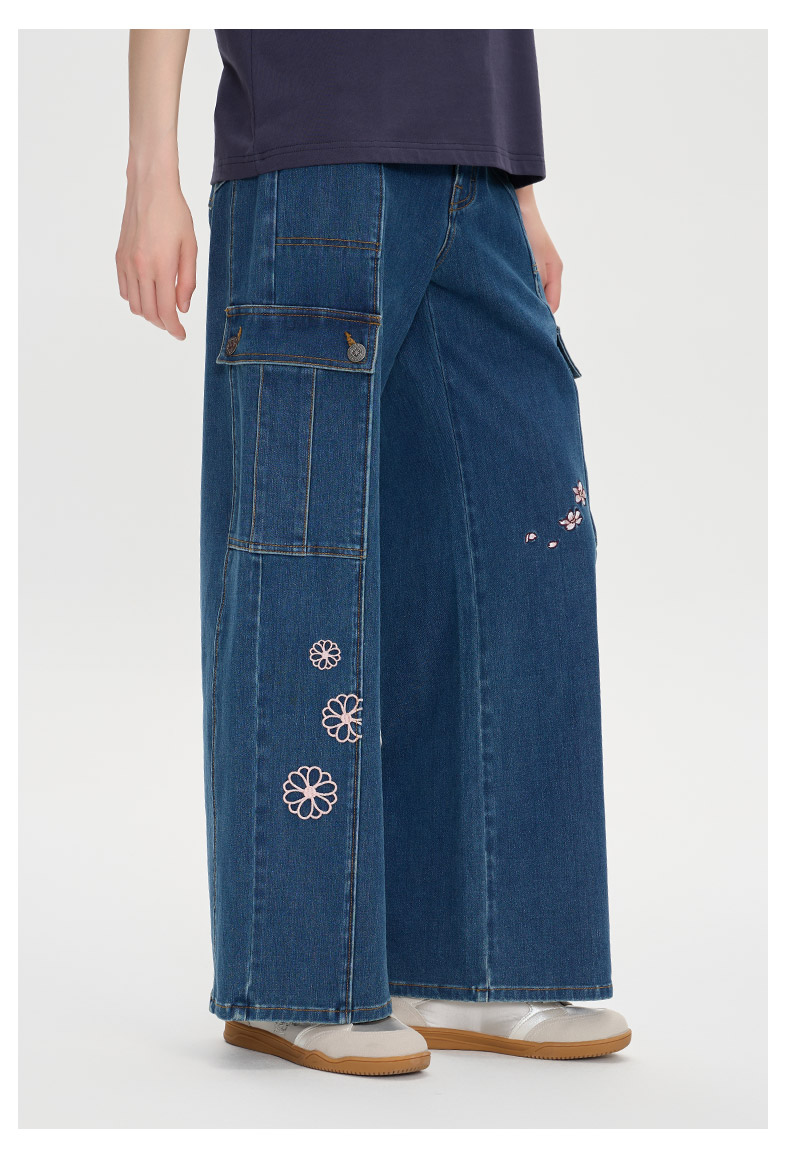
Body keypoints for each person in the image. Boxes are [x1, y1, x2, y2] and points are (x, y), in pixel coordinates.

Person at [116, 29, 631, 1077]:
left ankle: (472, 962)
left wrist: (519, 190)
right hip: (311, 159)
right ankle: (294, 979)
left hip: (477, 178)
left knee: (521, 545)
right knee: (302, 551)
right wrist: (149, 171)